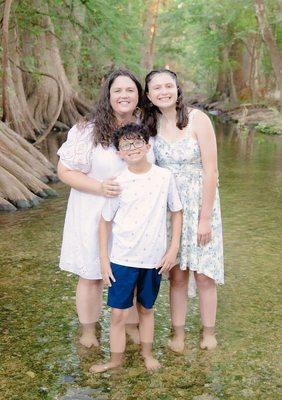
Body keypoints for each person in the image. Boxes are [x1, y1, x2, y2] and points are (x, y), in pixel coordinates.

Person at [57, 69, 155, 348]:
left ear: (139, 96)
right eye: (118, 91)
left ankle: (131, 326)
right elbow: (64, 171)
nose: (124, 95)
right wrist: (99, 187)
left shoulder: (146, 125)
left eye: (130, 91)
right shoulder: (86, 129)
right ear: (108, 96)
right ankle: (88, 331)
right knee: (91, 274)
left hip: (134, 217)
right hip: (93, 210)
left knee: (132, 273)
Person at [90, 123, 182, 373]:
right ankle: (115, 360)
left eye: (137, 142)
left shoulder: (164, 177)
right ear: (119, 153)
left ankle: (147, 354)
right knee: (119, 315)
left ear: (147, 145)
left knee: (147, 309)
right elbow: (104, 222)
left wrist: (173, 248)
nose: (132, 148)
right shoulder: (117, 182)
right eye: (125, 145)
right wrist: (104, 260)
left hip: (153, 259)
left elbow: (176, 211)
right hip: (122, 259)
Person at [143, 69, 224, 352]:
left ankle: (209, 331)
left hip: (201, 203)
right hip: (168, 207)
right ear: (149, 95)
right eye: (157, 88)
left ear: (177, 89)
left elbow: (211, 170)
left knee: (203, 273)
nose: (163, 92)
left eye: (169, 86)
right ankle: (178, 332)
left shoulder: (197, 119)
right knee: (176, 273)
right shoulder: (149, 124)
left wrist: (204, 219)